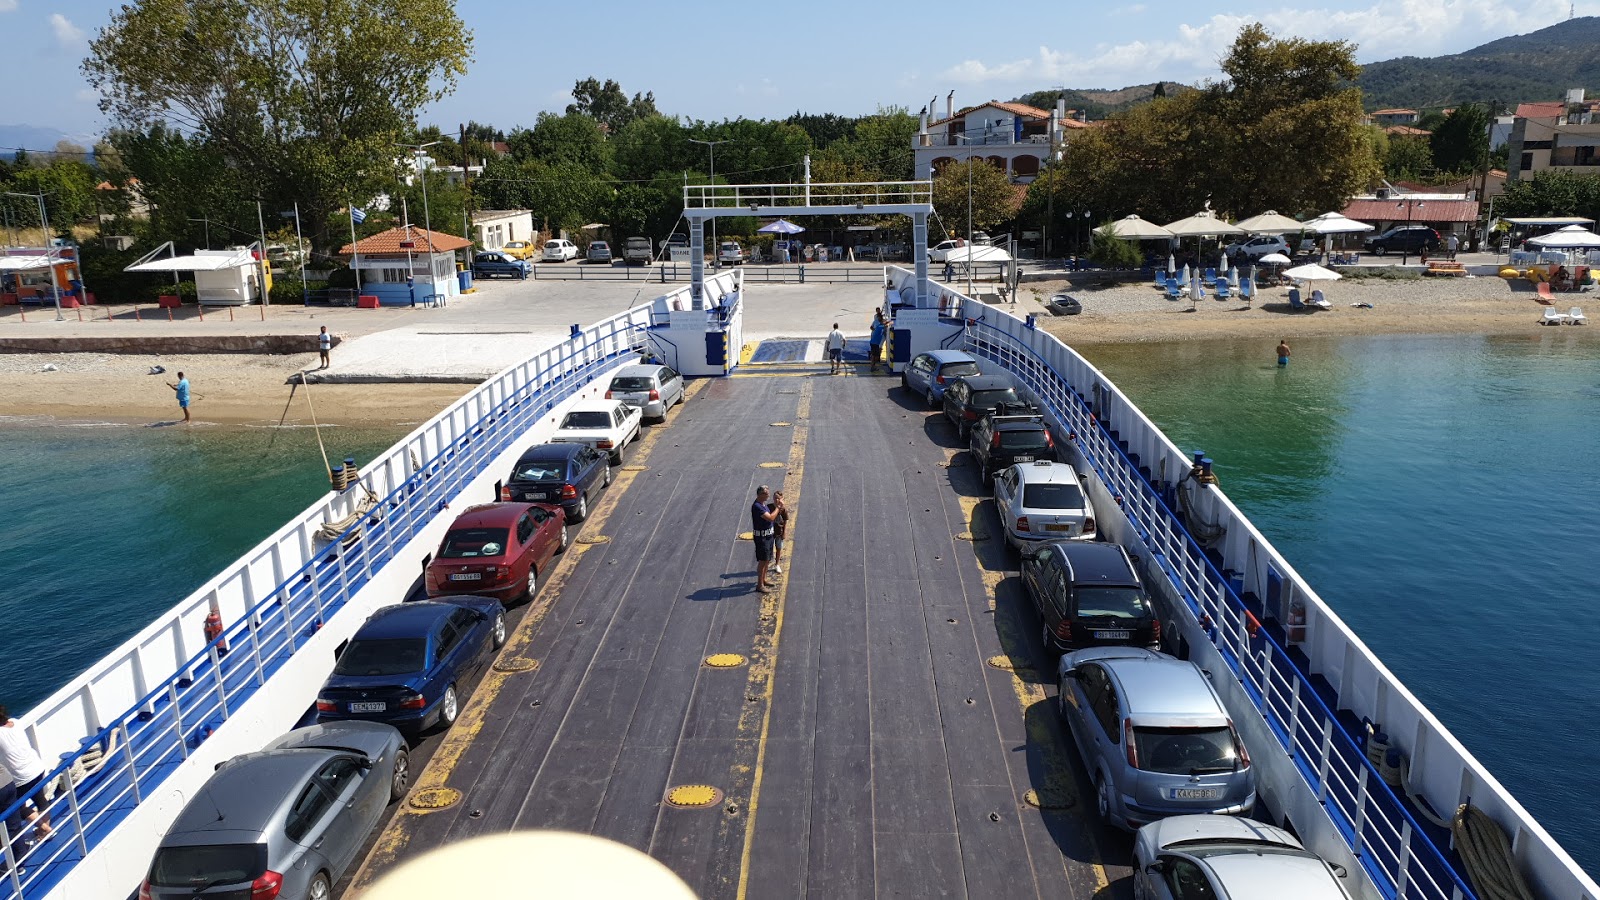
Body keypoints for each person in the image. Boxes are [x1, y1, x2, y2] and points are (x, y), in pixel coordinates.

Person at [0, 705, 53, 847]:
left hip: (21, 778)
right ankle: (43, 833)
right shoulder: (16, 722)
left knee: (18, 808)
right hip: (36, 767)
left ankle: (45, 829)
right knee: (40, 800)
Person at [750, 485, 785, 592]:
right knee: (763, 561)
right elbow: (770, 518)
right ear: (760, 495)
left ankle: (763, 580)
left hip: (768, 536)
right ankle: (760, 585)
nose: (768, 495)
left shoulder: (763, 504)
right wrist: (778, 508)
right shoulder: (757, 507)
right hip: (762, 538)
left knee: (767, 559)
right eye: (766, 493)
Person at [771, 490, 789, 574]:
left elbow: (785, 520)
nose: (776, 500)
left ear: (781, 499)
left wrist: (784, 532)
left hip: (779, 532)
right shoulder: (769, 507)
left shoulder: (783, 509)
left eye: (778, 498)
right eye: (775, 498)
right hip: (770, 532)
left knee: (779, 548)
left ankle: (777, 564)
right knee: (769, 549)